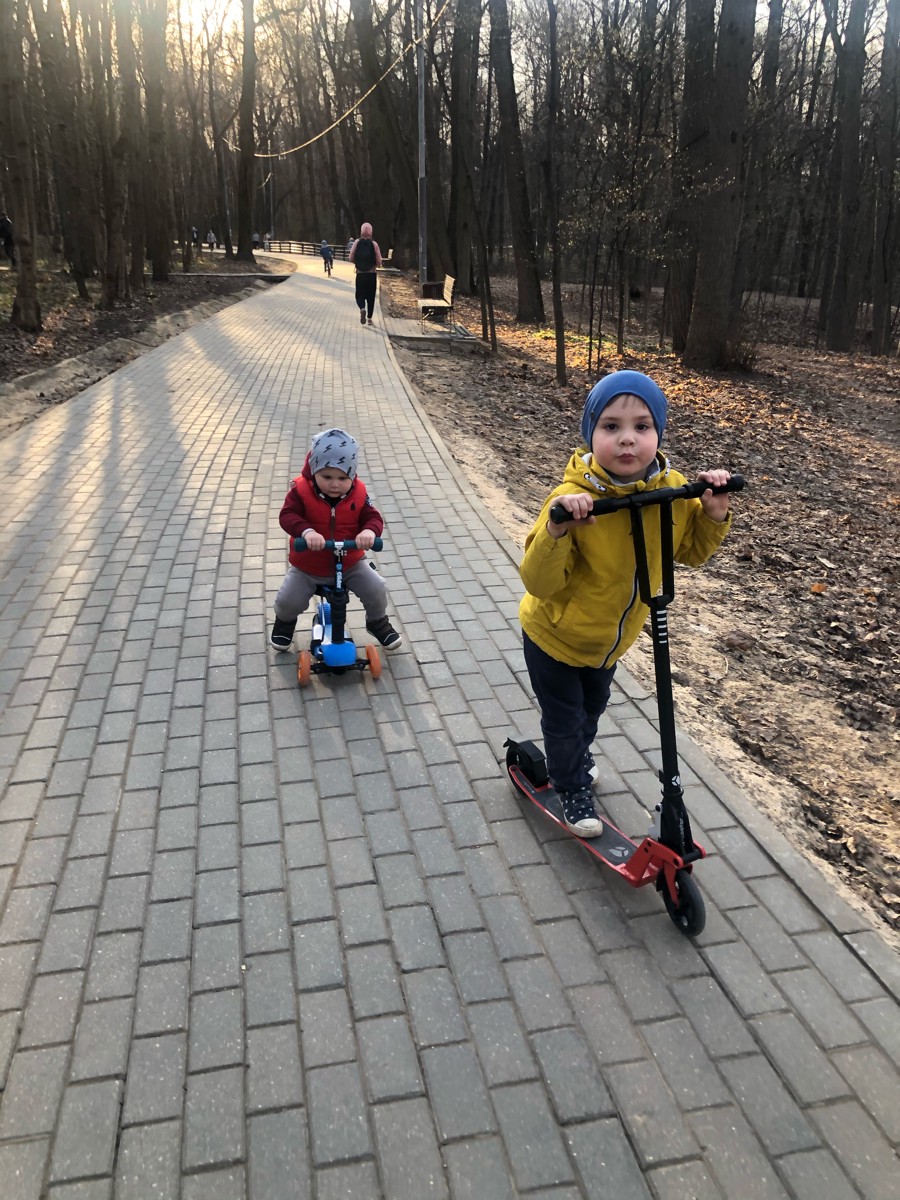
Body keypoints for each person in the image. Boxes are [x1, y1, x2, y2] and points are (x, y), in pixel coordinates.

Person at [519, 370, 734, 836]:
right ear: (590, 434)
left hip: (610, 644)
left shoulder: (672, 492)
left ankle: (578, 755)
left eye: (642, 426)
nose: (628, 440)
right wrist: (558, 530)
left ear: (658, 433)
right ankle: (569, 785)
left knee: (592, 710)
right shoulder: (571, 500)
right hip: (554, 637)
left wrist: (713, 513)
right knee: (564, 719)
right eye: (611, 427)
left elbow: (691, 554)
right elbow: (537, 582)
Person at [270, 428, 402, 653]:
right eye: (327, 477)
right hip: (308, 565)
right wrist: (307, 532)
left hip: (350, 562)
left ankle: (377, 621)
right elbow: (288, 516)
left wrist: (369, 532)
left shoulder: (359, 492)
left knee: (376, 587)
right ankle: (285, 622)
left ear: (352, 475)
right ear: (314, 471)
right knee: (288, 599)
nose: (335, 484)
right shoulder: (300, 491)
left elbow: (372, 516)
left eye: (342, 478)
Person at [348, 222, 382, 324]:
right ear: (371, 232)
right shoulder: (374, 244)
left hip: (360, 274)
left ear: (361, 231)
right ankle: (370, 318)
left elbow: (351, 257)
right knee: (371, 296)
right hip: (371, 274)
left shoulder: (357, 242)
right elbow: (379, 260)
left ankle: (362, 308)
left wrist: (357, 263)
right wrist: (376, 264)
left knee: (360, 294)